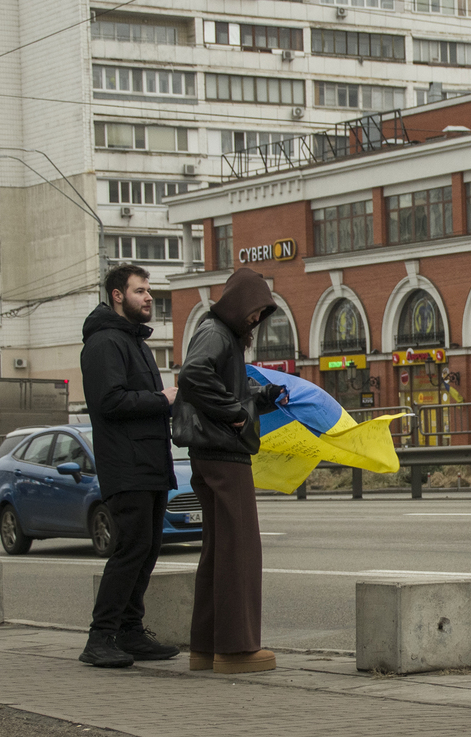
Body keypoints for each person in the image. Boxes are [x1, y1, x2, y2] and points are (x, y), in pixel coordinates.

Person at [174, 267, 286, 675]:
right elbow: (194, 376)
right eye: (255, 311)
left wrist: (262, 395)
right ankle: (236, 650)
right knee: (239, 551)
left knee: (219, 552)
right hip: (225, 453)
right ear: (238, 305)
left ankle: (206, 648)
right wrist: (236, 414)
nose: (256, 319)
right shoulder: (217, 332)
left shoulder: (217, 333)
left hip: (211, 451)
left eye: (262, 313)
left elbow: (222, 383)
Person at [79, 264, 181, 667]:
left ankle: (131, 631)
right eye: (140, 291)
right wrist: (163, 399)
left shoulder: (133, 341)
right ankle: (99, 637)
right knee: (130, 549)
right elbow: (110, 402)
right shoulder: (105, 343)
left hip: (149, 462)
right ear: (117, 295)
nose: (149, 297)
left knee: (148, 548)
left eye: (149, 290)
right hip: (127, 464)